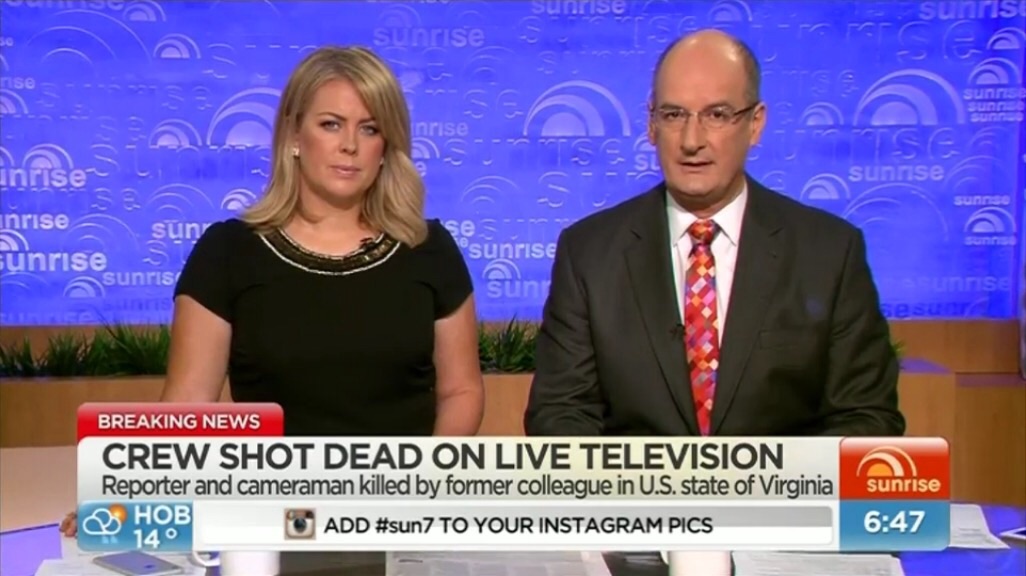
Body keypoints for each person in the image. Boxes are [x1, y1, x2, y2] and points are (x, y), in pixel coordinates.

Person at [61, 46, 484, 537]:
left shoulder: (428, 250)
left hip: (400, 518)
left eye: (369, 129)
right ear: (293, 135)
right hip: (272, 521)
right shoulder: (228, 252)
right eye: (331, 124)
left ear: (387, 145)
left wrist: (423, 483)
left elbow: (461, 390)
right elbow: (189, 403)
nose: (350, 145)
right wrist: (125, 501)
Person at [524, 29, 905, 438]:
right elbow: (561, 415)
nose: (692, 141)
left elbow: (866, 418)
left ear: (755, 124)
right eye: (674, 115)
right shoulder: (589, 255)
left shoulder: (828, 253)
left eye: (717, 115)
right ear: (651, 125)